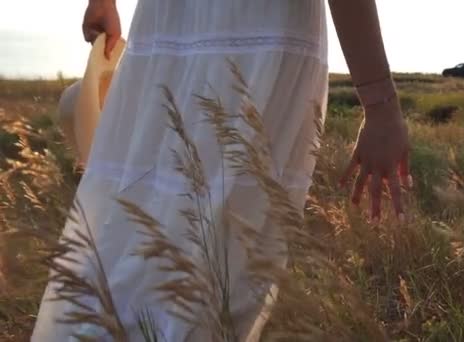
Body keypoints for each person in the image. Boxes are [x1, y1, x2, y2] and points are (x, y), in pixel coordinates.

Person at [32, 0, 411, 341]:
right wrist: (380, 104)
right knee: (218, 260)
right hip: (252, 28)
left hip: (175, 23)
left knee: (141, 227)